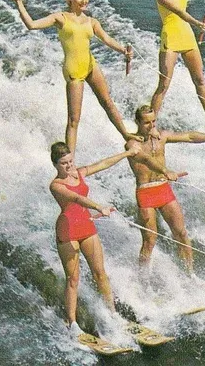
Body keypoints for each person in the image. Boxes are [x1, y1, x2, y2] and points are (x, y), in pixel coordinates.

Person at [12, 0, 137, 156]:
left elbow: (107, 39)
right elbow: (32, 25)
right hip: (73, 70)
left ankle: (126, 134)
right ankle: (69, 161)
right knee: (73, 120)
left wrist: (123, 50)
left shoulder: (92, 21)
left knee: (107, 102)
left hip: (90, 65)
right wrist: (19, 3)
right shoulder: (60, 18)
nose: (84, 1)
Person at [126, 105, 205, 273]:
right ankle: (143, 279)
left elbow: (189, 136)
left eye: (153, 121)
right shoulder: (132, 143)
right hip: (146, 192)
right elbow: (144, 159)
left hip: (163, 189)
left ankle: (189, 274)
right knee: (150, 240)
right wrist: (165, 171)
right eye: (146, 123)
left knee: (181, 233)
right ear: (137, 122)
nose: (151, 125)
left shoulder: (162, 136)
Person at [49, 141, 136, 334]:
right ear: (55, 165)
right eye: (64, 163)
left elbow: (103, 163)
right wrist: (99, 207)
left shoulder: (79, 173)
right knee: (73, 279)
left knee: (100, 273)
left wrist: (127, 154)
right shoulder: (56, 185)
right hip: (68, 230)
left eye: (70, 161)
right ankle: (72, 324)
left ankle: (113, 315)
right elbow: (77, 199)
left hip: (86, 226)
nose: (69, 166)